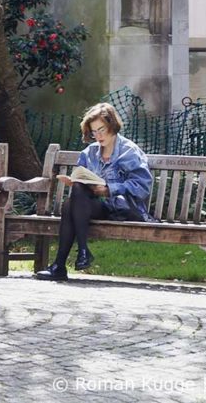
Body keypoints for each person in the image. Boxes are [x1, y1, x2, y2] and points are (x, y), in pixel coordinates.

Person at [35, 102, 153, 281]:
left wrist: (109, 189)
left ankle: (61, 264)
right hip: (99, 208)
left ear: (112, 125)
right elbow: (82, 180)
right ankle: (82, 251)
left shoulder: (129, 151)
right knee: (76, 194)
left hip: (125, 209)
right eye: (93, 132)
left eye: (102, 130)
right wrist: (74, 182)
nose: (98, 136)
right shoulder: (89, 153)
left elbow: (143, 186)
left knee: (69, 206)